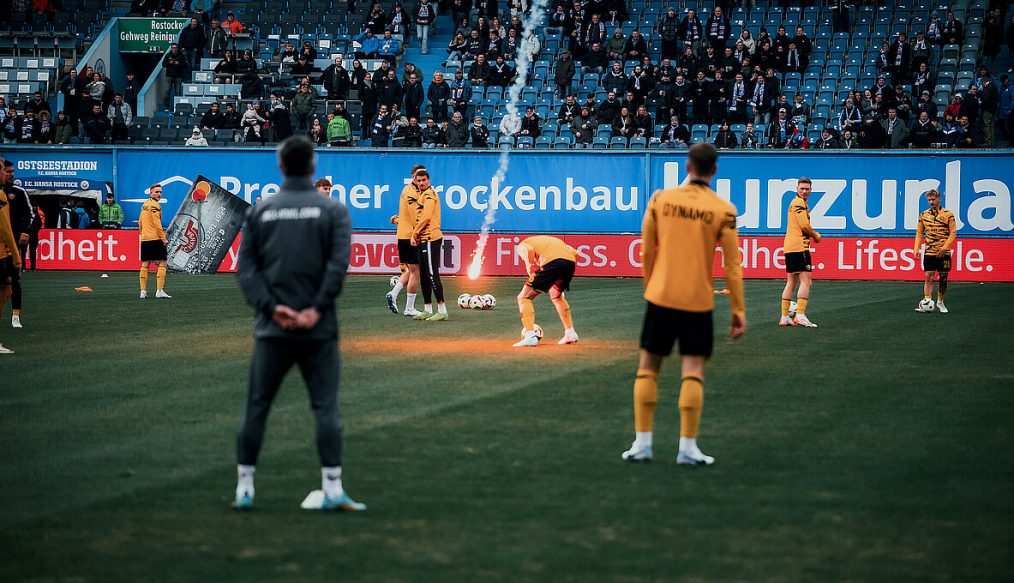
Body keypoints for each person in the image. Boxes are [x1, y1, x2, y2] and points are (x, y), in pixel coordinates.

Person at [234, 136, 364, 512]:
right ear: (313, 166)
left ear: (280, 166)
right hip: (318, 328)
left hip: (272, 329)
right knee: (326, 408)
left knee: (257, 406)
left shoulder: (261, 211)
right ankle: (333, 488)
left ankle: (245, 487)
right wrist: (314, 309)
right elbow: (337, 267)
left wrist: (273, 309)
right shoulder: (332, 210)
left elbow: (246, 271)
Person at [621, 143, 745, 465]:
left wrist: (651, 285)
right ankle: (687, 449)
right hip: (698, 302)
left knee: (648, 370)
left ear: (687, 166)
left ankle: (642, 444)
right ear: (714, 170)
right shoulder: (724, 209)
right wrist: (738, 309)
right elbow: (733, 264)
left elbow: (647, 248)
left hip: (661, 297)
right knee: (693, 373)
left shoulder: (661, 199)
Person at [512, 236, 580, 347]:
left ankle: (530, 336)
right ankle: (570, 333)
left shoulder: (522, 244)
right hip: (569, 264)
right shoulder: (550, 242)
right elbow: (575, 252)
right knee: (556, 297)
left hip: (552, 263)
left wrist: (529, 267)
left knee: (524, 297)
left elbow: (527, 250)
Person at [779, 178, 820, 328]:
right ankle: (800, 315)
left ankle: (784, 317)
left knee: (791, 281)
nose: (804, 191)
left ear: (811, 190)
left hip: (790, 246)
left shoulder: (795, 203)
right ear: (797, 188)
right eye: (802, 188)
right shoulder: (799, 203)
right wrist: (815, 235)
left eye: (807, 189)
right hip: (799, 247)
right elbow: (804, 225)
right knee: (806, 280)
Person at [409, 170, 447, 321]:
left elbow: (426, 217)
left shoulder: (430, 194)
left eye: (424, 180)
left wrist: (414, 233)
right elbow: (420, 217)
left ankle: (442, 310)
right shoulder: (423, 195)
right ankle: (427, 309)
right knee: (424, 275)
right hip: (423, 239)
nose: (421, 183)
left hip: (431, 238)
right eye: (418, 181)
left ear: (429, 180)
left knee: (432, 274)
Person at [387, 165, 424, 317]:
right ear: (413, 176)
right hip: (410, 236)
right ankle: (409, 308)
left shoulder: (411, 191)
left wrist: (398, 219)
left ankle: (394, 293)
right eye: (417, 175)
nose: (420, 179)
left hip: (405, 234)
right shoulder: (410, 192)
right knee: (416, 272)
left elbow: (406, 214)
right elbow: (415, 214)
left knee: (411, 270)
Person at [913, 189, 956, 314]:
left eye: (933, 199)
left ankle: (940, 301)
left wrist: (944, 248)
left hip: (944, 252)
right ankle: (927, 302)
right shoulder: (924, 215)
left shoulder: (948, 214)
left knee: (943, 278)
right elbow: (919, 233)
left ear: (939, 199)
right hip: (930, 251)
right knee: (928, 276)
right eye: (929, 200)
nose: (931, 202)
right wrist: (916, 248)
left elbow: (953, 233)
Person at [2, 160, 33, 330]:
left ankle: (15, 316)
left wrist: (26, 230)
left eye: (12, 171)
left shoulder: (19, 192)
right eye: (7, 171)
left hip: (13, 244)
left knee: (15, 280)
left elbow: (31, 215)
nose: (11, 174)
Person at [0, 171, 22, 353]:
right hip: (1, 254)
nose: (7, 173)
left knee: (6, 291)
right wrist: (15, 254)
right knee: (5, 292)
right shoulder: (0, 196)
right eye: (3, 170)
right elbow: (5, 228)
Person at [138, 184, 171, 299]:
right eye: (156, 192)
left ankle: (143, 291)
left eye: (161, 192)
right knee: (162, 262)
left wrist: (142, 233)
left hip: (145, 238)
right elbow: (157, 224)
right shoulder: (155, 205)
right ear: (151, 193)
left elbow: (140, 221)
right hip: (155, 238)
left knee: (145, 264)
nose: (159, 194)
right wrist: (163, 238)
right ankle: (159, 291)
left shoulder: (145, 204)